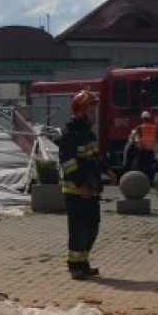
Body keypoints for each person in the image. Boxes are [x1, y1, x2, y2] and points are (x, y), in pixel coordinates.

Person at [59, 90, 105, 280]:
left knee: (92, 226)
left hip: (91, 188)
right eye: (92, 109)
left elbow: (95, 158)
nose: (95, 113)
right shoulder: (71, 134)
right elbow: (67, 162)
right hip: (76, 190)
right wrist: (81, 185)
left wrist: (107, 170)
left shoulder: (89, 133)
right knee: (78, 229)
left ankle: (83, 262)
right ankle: (74, 265)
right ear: (81, 110)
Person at [125, 110, 157, 177]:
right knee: (150, 166)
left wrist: (134, 141)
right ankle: (150, 179)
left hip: (143, 150)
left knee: (139, 166)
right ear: (149, 119)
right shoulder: (154, 127)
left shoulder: (140, 127)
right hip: (151, 150)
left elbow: (133, 137)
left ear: (142, 119)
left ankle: (139, 179)